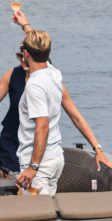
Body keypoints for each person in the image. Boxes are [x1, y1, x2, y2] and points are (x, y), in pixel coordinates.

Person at [0, 9, 112, 175]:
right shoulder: (13, 75)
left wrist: (97, 149)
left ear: (30, 55)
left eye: (25, 54)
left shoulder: (50, 78)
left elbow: (75, 117)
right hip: (12, 145)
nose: (23, 59)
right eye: (20, 56)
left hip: (40, 152)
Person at [14, 30, 64, 195]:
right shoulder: (54, 73)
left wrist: (33, 167)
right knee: (50, 208)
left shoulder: (34, 85)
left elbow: (42, 126)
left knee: (37, 210)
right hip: (55, 158)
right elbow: (40, 50)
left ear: (26, 54)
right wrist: (25, 26)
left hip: (39, 164)